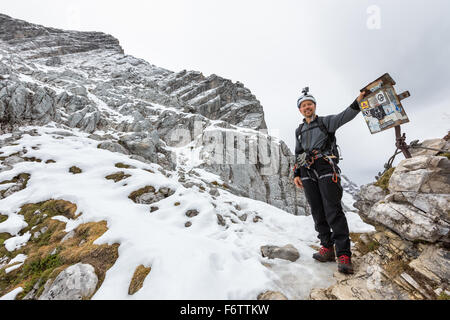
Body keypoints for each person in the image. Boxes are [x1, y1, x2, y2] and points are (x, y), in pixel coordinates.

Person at [293, 88, 367, 274]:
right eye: (303, 105)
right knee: (317, 211)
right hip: (307, 172)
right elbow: (298, 153)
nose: (306, 107)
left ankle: (343, 255)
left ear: (314, 106)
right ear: (300, 110)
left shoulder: (326, 122)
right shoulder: (299, 130)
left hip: (326, 167)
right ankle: (327, 247)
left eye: (309, 104)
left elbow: (345, 116)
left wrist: (358, 101)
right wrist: (296, 173)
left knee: (333, 210)